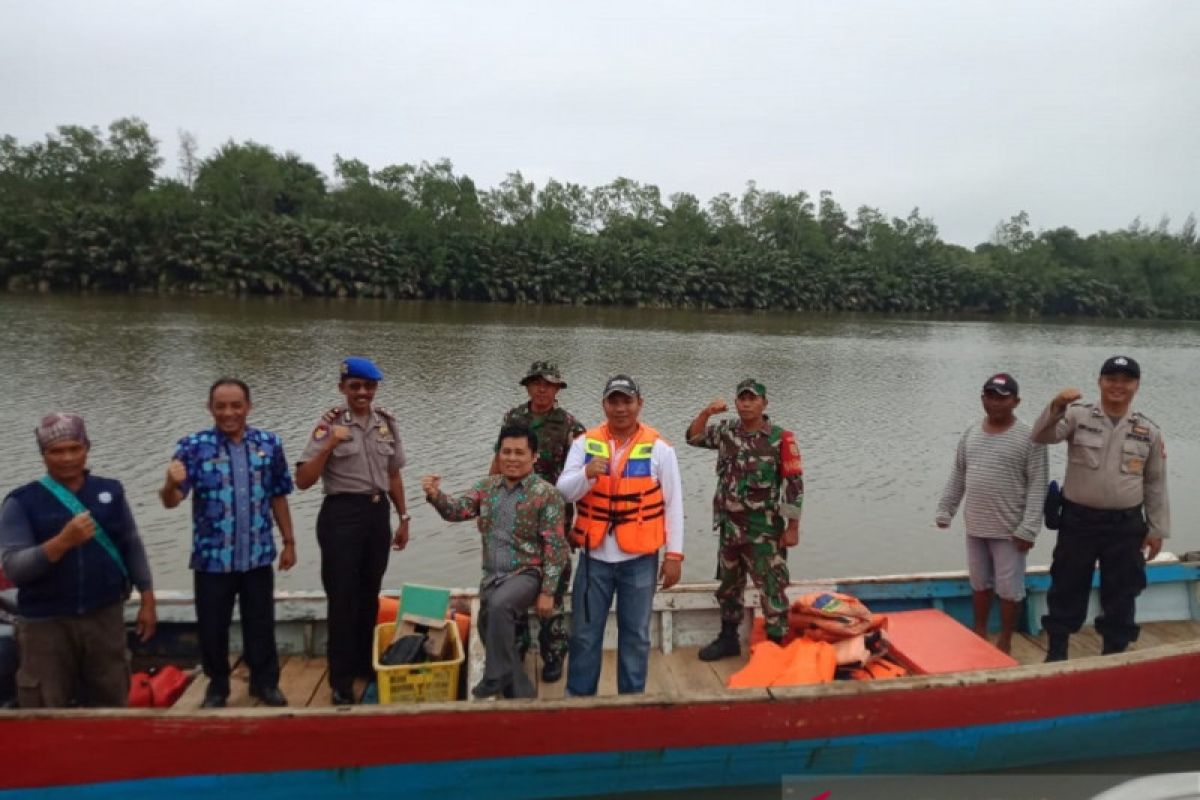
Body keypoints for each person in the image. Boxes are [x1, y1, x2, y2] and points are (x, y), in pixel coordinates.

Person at [0, 413, 156, 708]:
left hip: (104, 615)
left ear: (87, 448)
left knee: (110, 696)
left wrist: (147, 599)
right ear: (43, 455)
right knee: (45, 702)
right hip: (45, 622)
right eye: (56, 451)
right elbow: (15, 568)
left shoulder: (110, 491)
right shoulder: (21, 502)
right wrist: (61, 543)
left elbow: (131, 546)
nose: (67, 458)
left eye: (75, 449)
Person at [160, 378, 296, 708]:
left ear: (248, 406)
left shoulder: (269, 444)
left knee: (260, 622)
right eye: (221, 406)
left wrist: (289, 541)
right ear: (210, 408)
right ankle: (217, 685)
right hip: (212, 558)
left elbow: (279, 494)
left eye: (236, 405)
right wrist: (169, 482)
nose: (229, 412)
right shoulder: (193, 446)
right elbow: (172, 500)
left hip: (257, 555)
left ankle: (264, 683)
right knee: (212, 627)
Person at [1032, 355, 1169, 662]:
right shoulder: (1077, 416)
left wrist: (1157, 529)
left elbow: (1155, 483)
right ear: (1100, 382)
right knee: (1067, 585)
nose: (1118, 386)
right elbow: (1040, 436)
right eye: (1111, 379)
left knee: (1122, 592)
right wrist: (1055, 407)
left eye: (1125, 380)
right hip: (1079, 522)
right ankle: (1056, 653)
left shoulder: (1148, 430)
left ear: (1136, 385)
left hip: (1125, 526)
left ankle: (1113, 655)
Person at [556, 374, 684, 696]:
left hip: (639, 560)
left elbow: (674, 504)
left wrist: (674, 556)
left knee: (636, 635)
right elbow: (563, 490)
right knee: (585, 634)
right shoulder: (584, 443)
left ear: (639, 404)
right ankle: (580, 701)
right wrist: (586, 473)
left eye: (627, 401)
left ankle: (632, 701)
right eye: (614, 401)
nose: (621, 408)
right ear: (604, 405)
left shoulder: (660, 449)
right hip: (594, 557)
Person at [295, 357, 411, 705]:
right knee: (342, 600)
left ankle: (363, 663)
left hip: (377, 514)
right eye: (355, 386)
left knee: (368, 595)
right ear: (342, 388)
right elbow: (302, 480)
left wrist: (404, 517)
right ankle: (340, 680)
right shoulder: (328, 425)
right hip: (341, 515)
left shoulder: (386, 423)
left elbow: (393, 474)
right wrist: (329, 444)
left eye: (369, 386)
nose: (362, 392)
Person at [424, 424, 569, 699]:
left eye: (519, 452)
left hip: (528, 573)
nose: (512, 458)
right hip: (493, 575)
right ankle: (520, 690)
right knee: (488, 621)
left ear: (534, 456)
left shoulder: (547, 494)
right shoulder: (486, 487)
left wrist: (548, 591)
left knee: (500, 606)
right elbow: (457, 511)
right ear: (498, 454)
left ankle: (494, 675)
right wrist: (435, 496)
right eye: (506, 452)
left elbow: (555, 546)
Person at [686, 379, 804, 661]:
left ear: (765, 403)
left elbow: (794, 484)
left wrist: (793, 527)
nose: (747, 403)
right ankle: (728, 639)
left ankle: (776, 644)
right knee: (729, 586)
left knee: (772, 587)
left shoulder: (780, 438)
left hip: (764, 530)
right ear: (736, 402)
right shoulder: (727, 431)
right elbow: (693, 437)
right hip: (730, 527)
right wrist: (707, 412)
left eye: (753, 398)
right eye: (742, 398)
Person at [935, 373, 1048, 654]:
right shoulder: (971, 432)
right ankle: (980, 632)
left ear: (1016, 401)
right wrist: (946, 508)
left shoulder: (1031, 437)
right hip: (976, 526)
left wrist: (1029, 528)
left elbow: (1038, 484)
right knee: (979, 584)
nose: (995, 403)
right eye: (990, 396)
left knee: (1009, 589)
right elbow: (959, 473)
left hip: (1011, 530)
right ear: (983, 398)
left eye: (1003, 397)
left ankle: (1006, 640)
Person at [490, 361, 585, 683]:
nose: (541, 389)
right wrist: (486, 508)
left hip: (554, 522)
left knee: (553, 593)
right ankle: (515, 649)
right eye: (536, 383)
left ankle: (554, 655)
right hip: (512, 521)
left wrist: (579, 525)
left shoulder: (572, 426)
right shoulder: (513, 418)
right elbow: (499, 461)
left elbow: (582, 481)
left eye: (548, 384)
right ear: (528, 386)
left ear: (558, 389)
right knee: (509, 586)